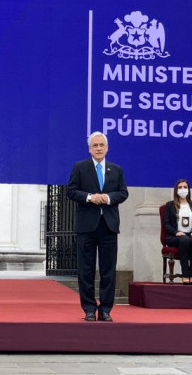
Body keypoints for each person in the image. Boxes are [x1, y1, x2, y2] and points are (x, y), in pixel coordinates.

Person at [67, 131, 128, 322]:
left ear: (107, 148)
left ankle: (106, 309)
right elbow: (71, 191)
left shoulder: (116, 169)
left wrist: (108, 198)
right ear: (89, 149)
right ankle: (89, 309)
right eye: (95, 145)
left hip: (109, 226)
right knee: (85, 269)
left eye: (102, 145)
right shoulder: (80, 167)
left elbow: (123, 193)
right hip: (87, 226)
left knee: (108, 270)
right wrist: (89, 197)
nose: (99, 148)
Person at [162, 179, 192, 284]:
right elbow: (166, 224)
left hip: (190, 234)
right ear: (176, 190)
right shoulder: (170, 205)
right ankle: (185, 274)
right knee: (184, 240)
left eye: (185, 187)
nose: (183, 189)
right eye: (180, 187)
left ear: (188, 190)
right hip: (174, 236)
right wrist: (176, 232)